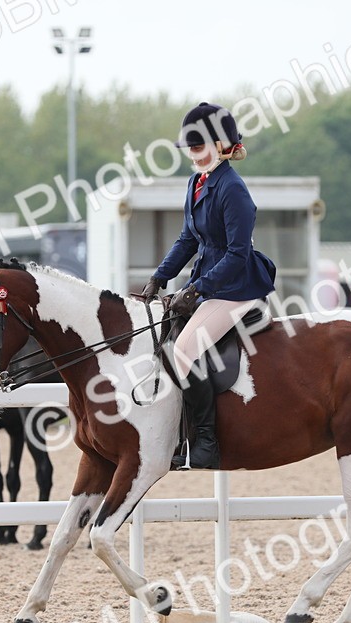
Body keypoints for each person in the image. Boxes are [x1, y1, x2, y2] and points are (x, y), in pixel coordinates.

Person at [141, 101, 278, 470]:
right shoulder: (197, 182)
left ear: (220, 145)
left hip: (236, 285)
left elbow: (236, 254)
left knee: (183, 351)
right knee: (162, 336)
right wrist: (160, 277)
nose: (193, 155)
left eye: (199, 147)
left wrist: (197, 289)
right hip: (208, 280)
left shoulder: (232, 189)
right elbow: (188, 238)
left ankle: (205, 443)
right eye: (190, 148)